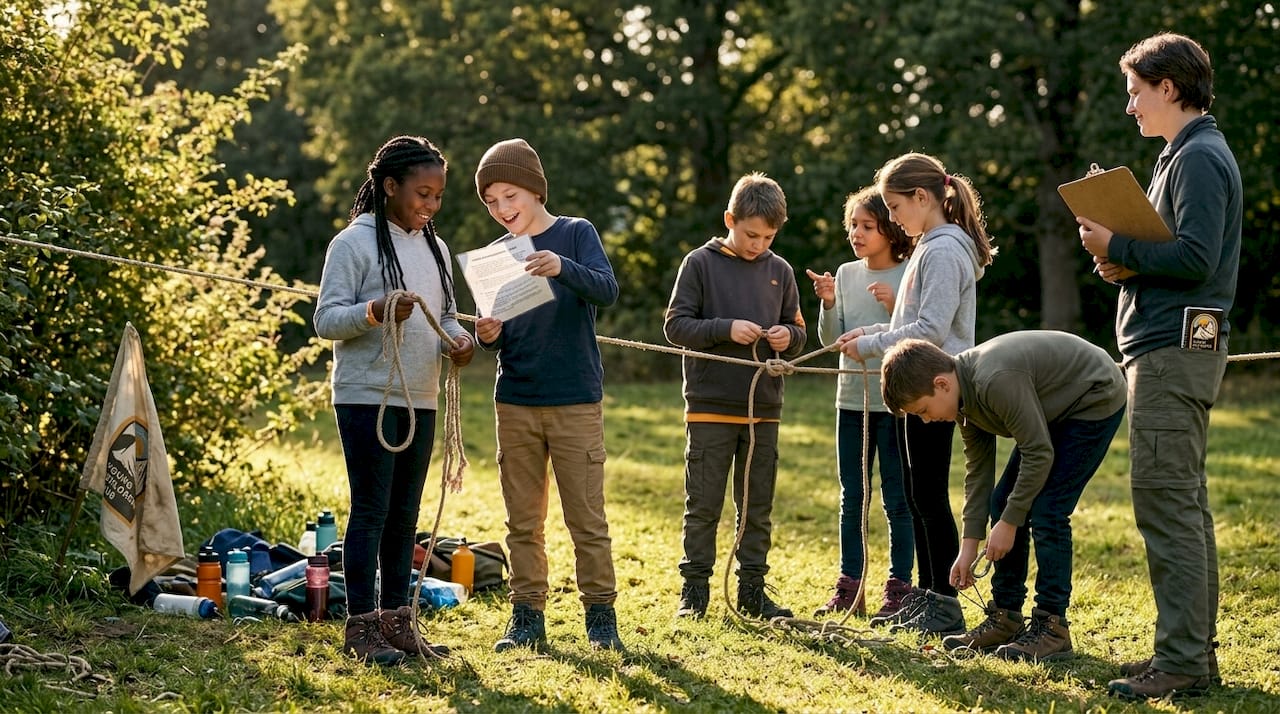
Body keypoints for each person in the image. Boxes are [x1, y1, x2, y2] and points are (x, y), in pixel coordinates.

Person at [1078, 32, 1241, 700]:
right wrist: (1120, 259)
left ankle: (1181, 664)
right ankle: (1189, 656)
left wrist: (1116, 240)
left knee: (1167, 504)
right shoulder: (1181, 155)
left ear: (1168, 88)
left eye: (1136, 93)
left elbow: (1197, 259)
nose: (1131, 107)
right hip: (1166, 346)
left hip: (1175, 354)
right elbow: (1173, 253)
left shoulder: (1200, 156)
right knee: (1181, 504)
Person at [314, 135, 476, 665]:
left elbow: (447, 315)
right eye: (421, 194)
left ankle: (396, 620)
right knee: (372, 511)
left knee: (406, 515)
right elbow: (325, 320)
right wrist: (375, 311)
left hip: (422, 397)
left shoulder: (435, 248)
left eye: (437, 197)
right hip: (367, 397)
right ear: (389, 187)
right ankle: (360, 626)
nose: (430, 205)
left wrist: (458, 341)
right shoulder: (353, 244)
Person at [881, 333, 1125, 662]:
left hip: (1093, 396)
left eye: (924, 410)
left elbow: (1039, 452)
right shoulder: (962, 399)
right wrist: (968, 549)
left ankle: (1052, 628)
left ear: (941, 384)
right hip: (1052, 408)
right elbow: (979, 471)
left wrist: (1009, 523)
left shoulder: (994, 381)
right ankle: (1006, 617)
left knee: (1047, 510)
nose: (926, 420)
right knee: (1002, 500)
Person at [472, 138, 625, 652]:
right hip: (515, 400)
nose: (502, 209)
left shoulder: (575, 234)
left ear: (535, 190)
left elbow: (606, 289)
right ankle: (527, 616)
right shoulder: (494, 257)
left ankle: (601, 616)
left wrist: (561, 266)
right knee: (523, 519)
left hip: (575, 398)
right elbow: (493, 334)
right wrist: (487, 334)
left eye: (510, 195)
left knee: (586, 516)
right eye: (492, 202)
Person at [835, 152, 994, 637]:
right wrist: (871, 330)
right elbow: (910, 323)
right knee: (918, 493)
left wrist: (870, 344)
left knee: (926, 494)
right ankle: (927, 595)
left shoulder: (945, 250)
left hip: (934, 389)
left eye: (896, 207)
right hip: (915, 384)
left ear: (923, 198)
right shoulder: (931, 244)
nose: (895, 220)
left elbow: (929, 329)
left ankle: (943, 603)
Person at [664, 172, 808, 620]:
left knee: (757, 505)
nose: (757, 245)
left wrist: (789, 337)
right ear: (730, 219)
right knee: (703, 503)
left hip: (764, 409)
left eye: (767, 237)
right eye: (750, 234)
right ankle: (695, 591)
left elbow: (799, 330)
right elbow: (675, 326)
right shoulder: (699, 264)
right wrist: (724, 329)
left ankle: (752, 590)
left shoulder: (780, 271)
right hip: (710, 406)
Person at [805, 187, 914, 619]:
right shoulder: (847, 274)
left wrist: (894, 309)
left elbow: (912, 337)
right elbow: (833, 340)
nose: (857, 233)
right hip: (850, 402)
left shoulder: (909, 274)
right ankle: (850, 585)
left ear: (889, 228)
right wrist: (829, 304)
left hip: (896, 404)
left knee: (897, 499)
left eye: (867, 226)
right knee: (853, 496)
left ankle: (899, 587)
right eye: (852, 225)